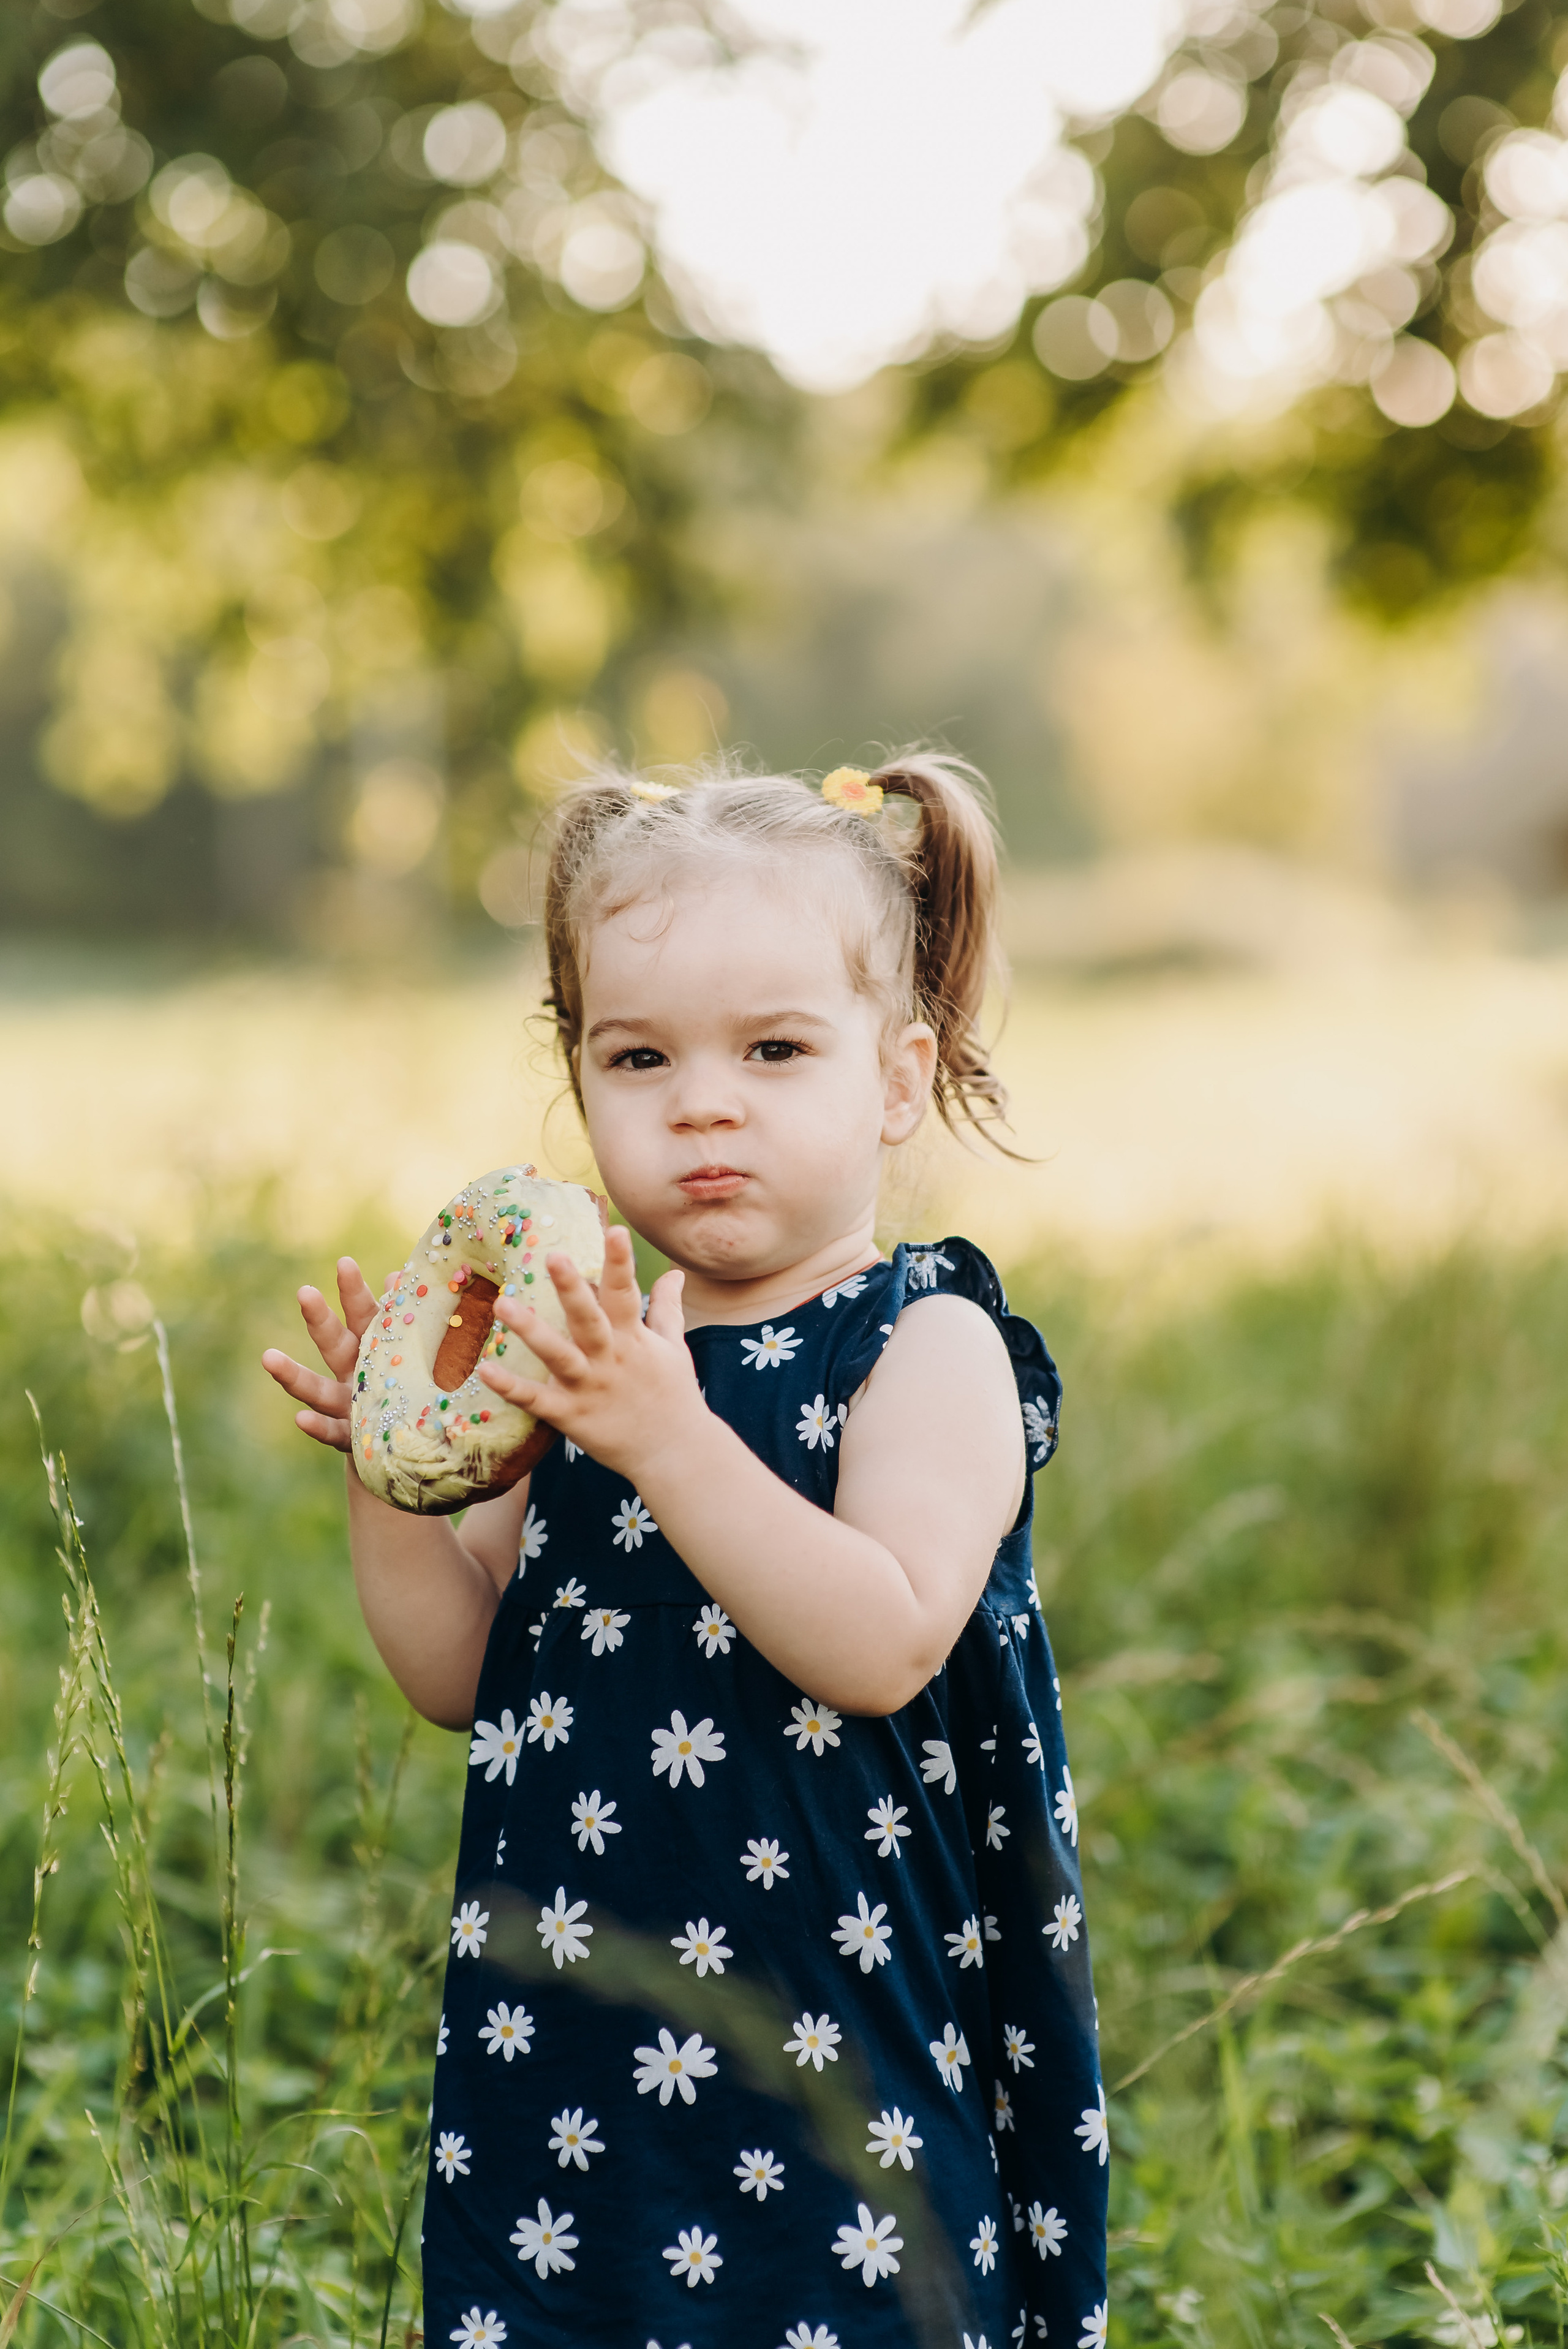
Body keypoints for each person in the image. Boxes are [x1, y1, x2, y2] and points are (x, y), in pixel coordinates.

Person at [262, 757, 1108, 2349]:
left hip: (839, 2035)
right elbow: (461, 1669)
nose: (702, 1101)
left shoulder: (925, 1343)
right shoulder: (585, 1351)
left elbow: (884, 1635)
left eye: (775, 1048)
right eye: (637, 1053)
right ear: (578, 1081)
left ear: (898, 1078)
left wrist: (663, 1436)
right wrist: (396, 1467)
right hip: (582, 2066)